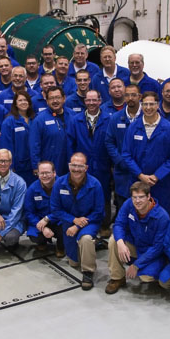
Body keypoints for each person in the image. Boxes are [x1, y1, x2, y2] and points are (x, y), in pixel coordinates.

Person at [49, 152, 104, 290]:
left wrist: (78, 225)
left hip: (90, 221)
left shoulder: (95, 184)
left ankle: (88, 272)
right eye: (74, 165)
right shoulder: (59, 184)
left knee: (85, 239)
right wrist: (73, 220)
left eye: (80, 166)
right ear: (69, 166)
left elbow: (99, 212)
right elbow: (55, 209)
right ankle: (93, 245)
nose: (76, 169)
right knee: (74, 262)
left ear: (86, 168)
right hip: (69, 222)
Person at [105, 181, 170, 294]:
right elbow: (119, 224)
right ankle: (117, 278)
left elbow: (158, 247)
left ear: (149, 196)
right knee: (113, 241)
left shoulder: (162, 217)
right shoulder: (129, 204)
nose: (137, 201)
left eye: (141, 197)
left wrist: (136, 265)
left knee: (146, 277)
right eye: (134, 197)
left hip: (151, 252)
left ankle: (154, 270)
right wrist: (120, 243)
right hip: (134, 243)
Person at [122, 90, 170, 215]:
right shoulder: (133, 127)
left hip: (161, 182)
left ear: (157, 105)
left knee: (160, 215)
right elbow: (126, 154)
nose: (148, 108)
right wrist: (140, 175)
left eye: (152, 104)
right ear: (141, 106)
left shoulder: (169, 128)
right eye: (145, 104)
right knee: (137, 214)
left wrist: (157, 176)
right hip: (138, 181)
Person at [67, 89, 112, 234]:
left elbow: (112, 142)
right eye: (88, 100)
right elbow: (70, 144)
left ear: (100, 101)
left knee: (104, 196)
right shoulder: (76, 120)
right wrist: (74, 164)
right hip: (81, 166)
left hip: (102, 165)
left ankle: (104, 225)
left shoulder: (109, 119)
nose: (91, 103)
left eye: (94, 100)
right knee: (83, 195)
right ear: (84, 101)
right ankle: (84, 223)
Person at [105, 84, 142, 212]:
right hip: (122, 171)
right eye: (127, 95)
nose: (130, 98)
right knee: (123, 206)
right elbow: (109, 142)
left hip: (142, 170)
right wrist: (120, 161)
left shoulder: (147, 116)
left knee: (142, 204)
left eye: (134, 95)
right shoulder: (116, 118)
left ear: (140, 97)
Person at [30, 86, 73, 176]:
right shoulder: (39, 119)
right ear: (46, 101)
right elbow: (34, 145)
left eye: (57, 97)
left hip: (70, 163)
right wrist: (36, 166)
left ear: (64, 98)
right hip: (50, 164)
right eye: (51, 98)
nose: (55, 101)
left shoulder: (72, 115)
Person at [24, 161, 63, 254]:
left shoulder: (63, 186)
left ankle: (61, 246)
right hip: (39, 221)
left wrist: (48, 218)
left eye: (48, 173)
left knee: (67, 229)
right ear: (38, 174)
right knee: (34, 235)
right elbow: (29, 212)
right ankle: (42, 242)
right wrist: (43, 227)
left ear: (54, 173)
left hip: (59, 220)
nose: (45, 176)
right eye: (42, 173)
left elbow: (66, 208)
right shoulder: (32, 189)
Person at [0, 91, 36, 185]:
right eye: (20, 100)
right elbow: (5, 146)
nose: (23, 102)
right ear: (15, 103)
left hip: (34, 166)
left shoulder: (36, 119)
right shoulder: (9, 122)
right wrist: (10, 167)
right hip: (18, 168)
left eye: (25, 100)